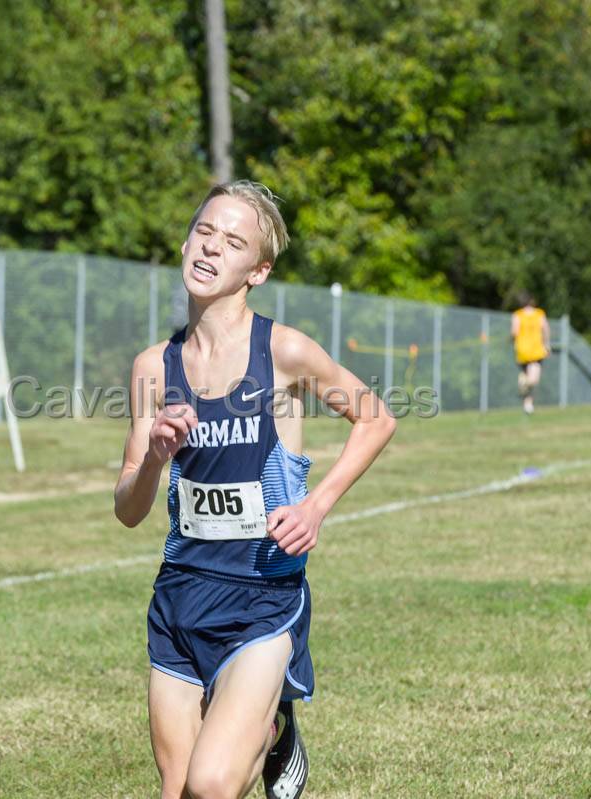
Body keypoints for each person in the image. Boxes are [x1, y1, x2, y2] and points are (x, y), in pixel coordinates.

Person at [113, 181, 396, 799]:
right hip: (181, 594)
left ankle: (272, 728)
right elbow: (128, 509)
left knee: (212, 785)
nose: (212, 248)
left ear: (258, 270)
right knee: (178, 788)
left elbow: (376, 417)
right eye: (205, 231)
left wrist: (316, 505)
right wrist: (157, 458)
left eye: (233, 242)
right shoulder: (151, 368)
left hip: (262, 596)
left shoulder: (283, 350)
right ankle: (271, 728)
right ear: (186, 241)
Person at [510, 292, 550, 415]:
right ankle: (524, 383)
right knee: (533, 380)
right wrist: (547, 344)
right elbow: (545, 329)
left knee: (527, 375)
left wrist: (511, 341)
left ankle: (528, 405)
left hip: (522, 350)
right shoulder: (539, 314)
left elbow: (514, 333)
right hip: (535, 350)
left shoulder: (517, 315)